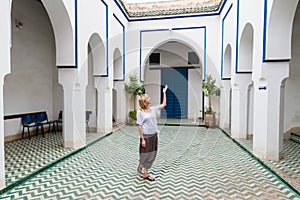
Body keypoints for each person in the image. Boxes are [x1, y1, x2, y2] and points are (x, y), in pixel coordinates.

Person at [136, 85, 168, 181]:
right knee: (145, 154)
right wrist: (142, 139)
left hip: (154, 135)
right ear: (145, 102)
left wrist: (164, 92)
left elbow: (164, 104)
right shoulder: (140, 112)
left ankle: (144, 170)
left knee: (152, 154)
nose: (150, 99)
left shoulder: (153, 109)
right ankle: (144, 169)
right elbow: (139, 125)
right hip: (146, 136)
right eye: (148, 98)